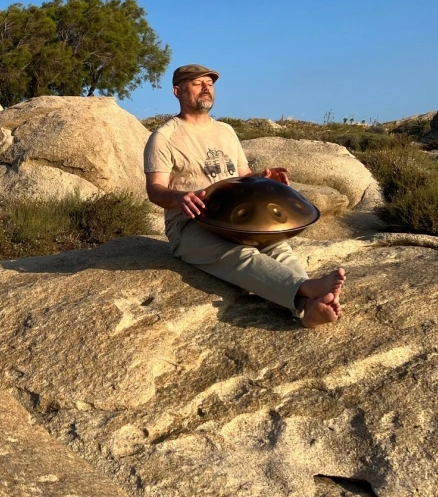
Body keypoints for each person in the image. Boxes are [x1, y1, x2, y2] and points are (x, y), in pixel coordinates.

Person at [144, 64, 344, 328]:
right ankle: (306, 289)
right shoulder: (164, 137)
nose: (206, 88)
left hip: (234, 220)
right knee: (241, 255)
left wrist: (263, 178)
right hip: (190, 222)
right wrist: (180, 198)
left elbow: (243, 175)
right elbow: (155, 190)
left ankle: (309, 308)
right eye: (197, 83)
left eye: (209, 84)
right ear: (177, 91)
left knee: (278, 247)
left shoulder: (226, 131)